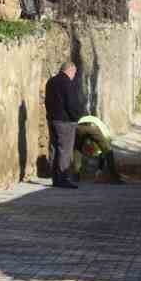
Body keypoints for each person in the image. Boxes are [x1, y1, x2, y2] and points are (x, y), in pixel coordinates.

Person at [44, 61, 81, 189]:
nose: (74, 75)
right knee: (65, 150)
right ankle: (63, 178)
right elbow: (71, 103)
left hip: (52, 120)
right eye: (74, 73)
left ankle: (56, 178)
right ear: (69, 70)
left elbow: (47, 101)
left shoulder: (51, 82)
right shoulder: (67, 83)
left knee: (54, 149)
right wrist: (76, 117)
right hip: (65, 122)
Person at [74, 114, 123, 184]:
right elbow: (102, 153)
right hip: (92, 127)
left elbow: (95, 149)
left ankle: (76, 176)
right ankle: (114, 178)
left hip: (78, 126)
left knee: (77, 149)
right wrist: (100, 169)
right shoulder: (106, 133)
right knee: (108, 150)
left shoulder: (87, 118)